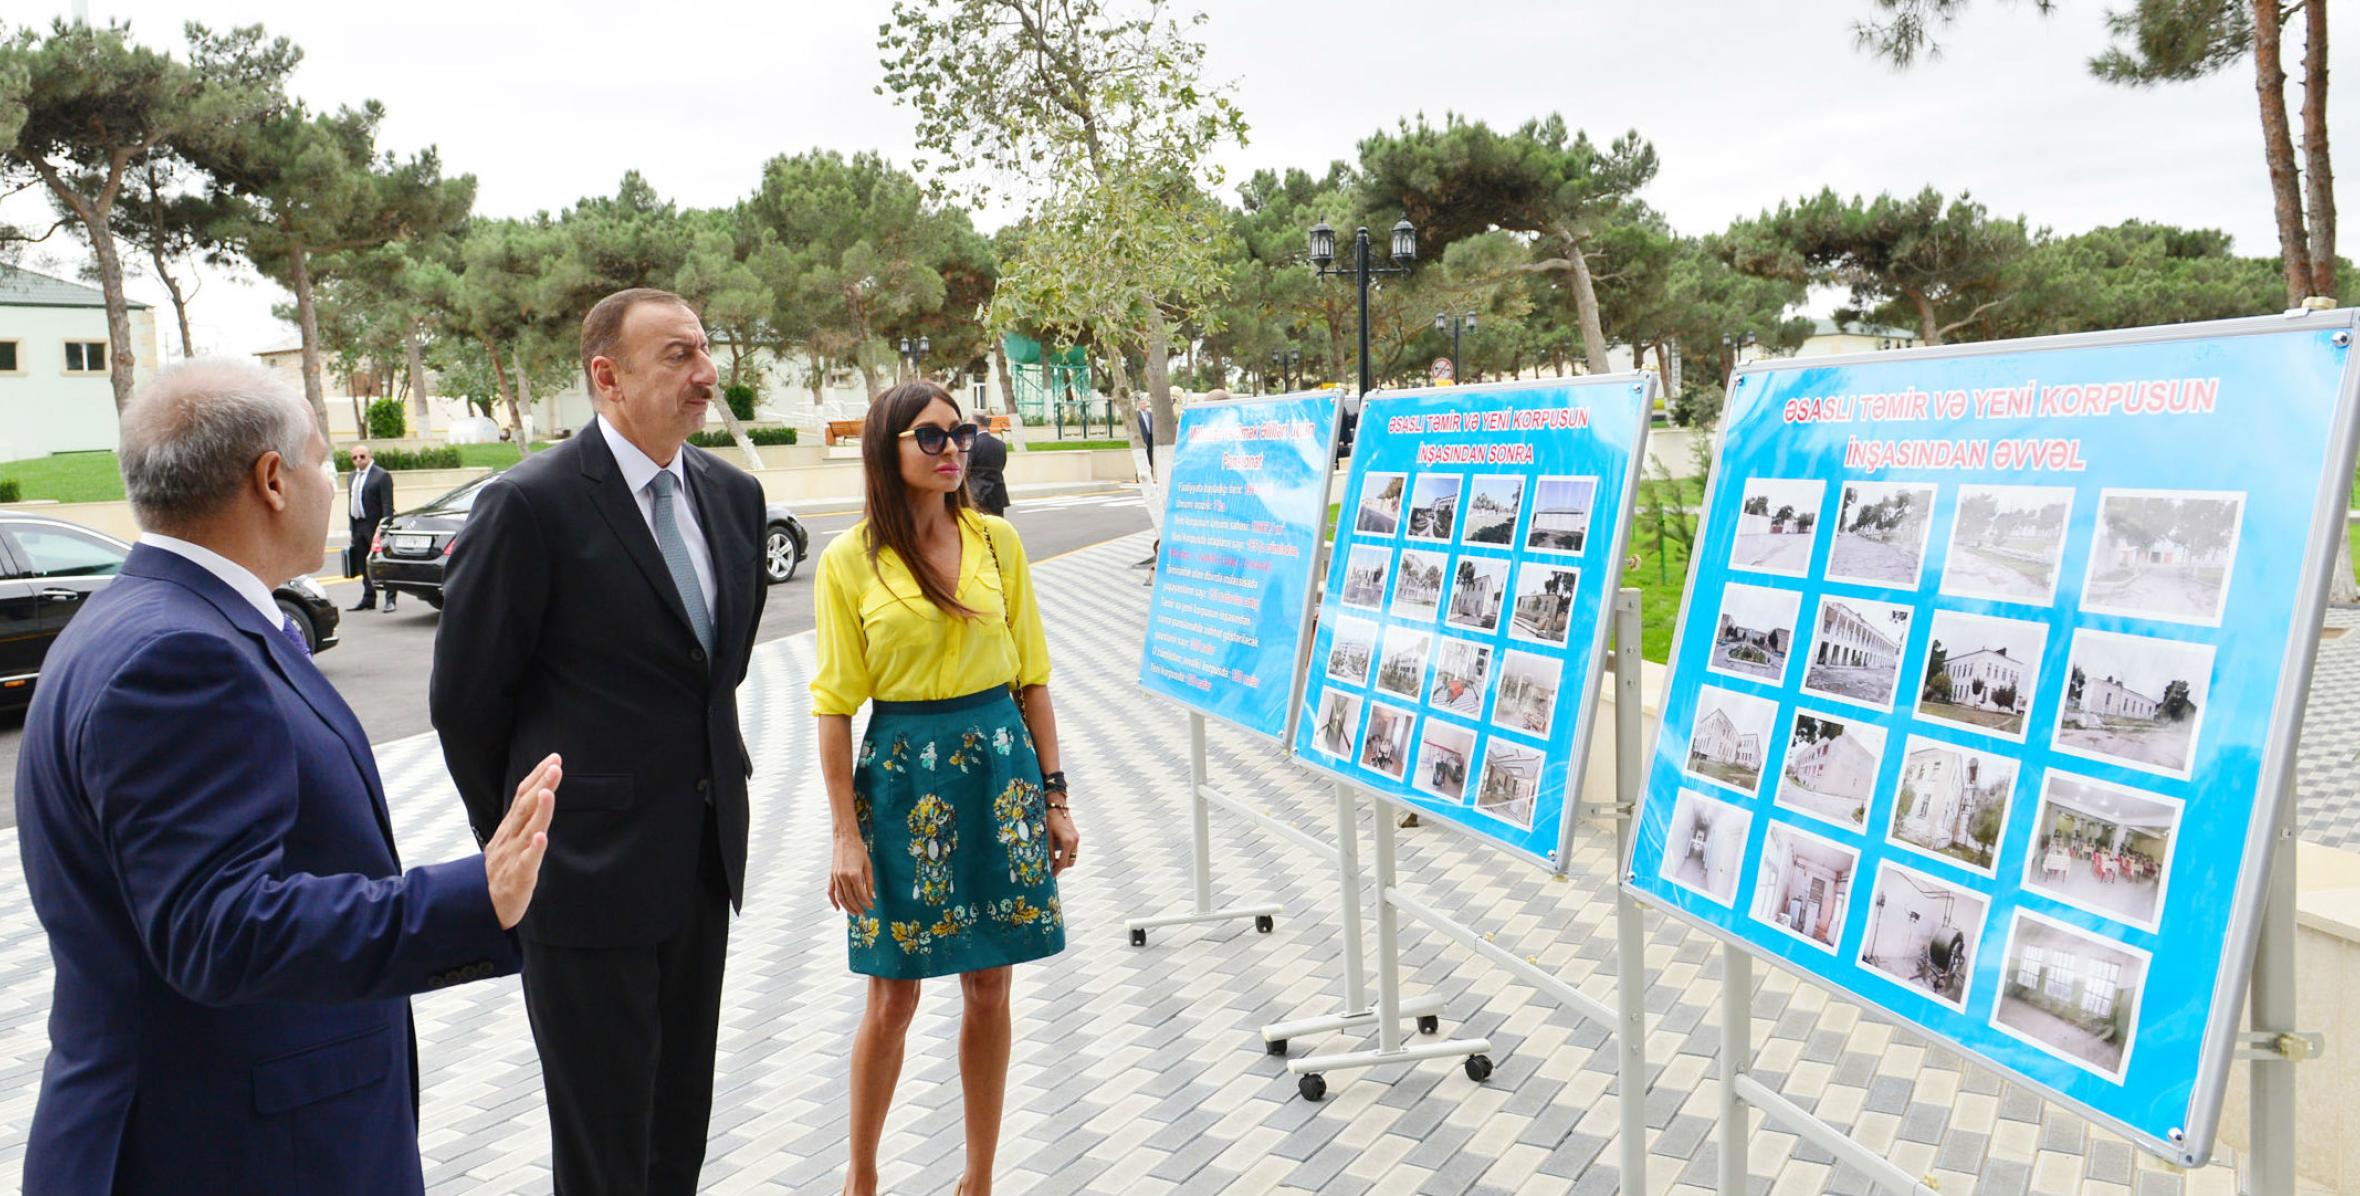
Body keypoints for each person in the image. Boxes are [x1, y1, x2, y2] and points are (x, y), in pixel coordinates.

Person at [14, 359, 560, 1196]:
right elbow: (218, 927)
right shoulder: (179, 654)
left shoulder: (153, 617)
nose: (333, 480)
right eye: (323, 458)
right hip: (230, 1146)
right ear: (271, 479)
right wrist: (473, 899)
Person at [431, 288, 769, 1196]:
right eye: (677, 356)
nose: (705, 375)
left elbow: (713, 680)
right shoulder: (529, 505)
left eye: (705, 351)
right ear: (606, 376)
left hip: (700, 868)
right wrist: (524, 851)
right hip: (580, 881)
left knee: (675, 1134)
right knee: (604, 1149)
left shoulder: (735, 498)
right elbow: (466, 705)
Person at [813, 380, 1079, 1196]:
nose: (952, 449)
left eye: (960, 433)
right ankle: (861, 1178)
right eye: (930, 437)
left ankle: (979, 1179)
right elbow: (833, 705)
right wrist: (844, 834)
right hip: (901, 782)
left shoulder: (996, 542)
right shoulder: (848, 558)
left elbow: (1032, 679)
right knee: (893, 996)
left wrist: (1056, 797)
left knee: (991, 984)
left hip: (1000, 774)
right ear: (887, 451)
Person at [347, 442, 396, 611]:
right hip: (359, 525)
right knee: (363, 564)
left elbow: (388, 505)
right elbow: (351, 502)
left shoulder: (381, 476)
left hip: (375, 525)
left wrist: (384, 528)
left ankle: (390, 599)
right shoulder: (352, 477)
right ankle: (369, 597)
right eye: (355, 457)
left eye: (362, 456)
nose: (358, 460)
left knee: (383, 562)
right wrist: (352, 529)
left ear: (369, 456)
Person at [967, 420, 1010, 516]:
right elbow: (1002, 465)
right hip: (997, 493)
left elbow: (967, 469)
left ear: (977, 424)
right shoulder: (1000, 444)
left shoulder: (973, 444)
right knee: (997, 527)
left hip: (977, 492)